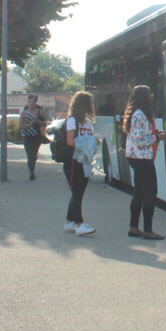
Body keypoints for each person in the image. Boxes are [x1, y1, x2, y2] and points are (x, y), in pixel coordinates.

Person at [123, 84, 165, 240]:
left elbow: (141, 135)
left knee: (139, 193)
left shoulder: (137, 114)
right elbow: (140, 140)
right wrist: (157, 138)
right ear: (143, 97)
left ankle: (134, 227)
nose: (151, 96)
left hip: (137, 157)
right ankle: (148, 230)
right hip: (141, 158)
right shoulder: (140, 115)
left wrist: (155, 134)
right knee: (150, 192)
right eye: (149, 94)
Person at [64, 91, 97, 236]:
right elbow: (70, 141)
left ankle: (69, 221)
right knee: (77, 192)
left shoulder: (88, 122)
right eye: (90, 102)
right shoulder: (72, 120)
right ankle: (79, 223)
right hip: (74, 161)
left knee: (79, 193)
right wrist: (86, 144)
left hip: (85, 161)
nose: (92, 105)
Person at [19, 95, 47, 180]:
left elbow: (45, 123)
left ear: (36, 103)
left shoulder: (39, 112)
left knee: (33, 154)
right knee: (29, 154)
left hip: (36, 136)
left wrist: (37, 121)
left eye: (33, 102)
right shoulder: (24, 113)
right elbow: (20, 125)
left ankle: (34, 161)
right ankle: (31, 172)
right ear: (27, 103)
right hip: (27, 136)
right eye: (30, 102)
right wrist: (28, 125)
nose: (31, 104)